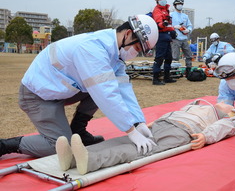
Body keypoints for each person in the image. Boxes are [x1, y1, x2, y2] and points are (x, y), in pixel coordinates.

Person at [0, 15, 159, 158]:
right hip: (37, 95)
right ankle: (6, 145)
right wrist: (130, 131)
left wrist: (139, 122)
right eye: (137, 48)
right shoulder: (93, 49)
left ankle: (78, 131)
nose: (135, 54)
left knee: (102, 88)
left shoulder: (114, 52)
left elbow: (123, 88)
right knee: (61, 147)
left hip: (59, 89)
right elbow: (106, 94)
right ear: (128, 34)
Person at [56, 100, 235, 175]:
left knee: (138, 150)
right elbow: (174, 112)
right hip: (165, 124)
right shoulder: (198, 104)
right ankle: (73, 157)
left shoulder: (225, 116)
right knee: (127, 139)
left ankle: (90, 161)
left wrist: (206, 136)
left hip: (182, 132)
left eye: (230, 105)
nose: (226, 102)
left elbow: (226, 126)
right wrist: (152, 124)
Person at [152, 0, 177, 85]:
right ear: (157, 0)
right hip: (161, 35)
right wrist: (163, 24)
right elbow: (159, 22)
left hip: (167, 35)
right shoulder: (157, 10)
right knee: (159, 58)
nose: (163, 0)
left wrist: (172, 30)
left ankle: (167, 77)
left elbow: (169, 23)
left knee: (169, 58)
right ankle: (155, 78)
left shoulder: (166, 10)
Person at [170, 0, 193, 77]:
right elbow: (167, 25)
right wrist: (174, 27)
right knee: (175, 56)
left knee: (189, 55)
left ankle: (188, 70)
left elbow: (190, 25)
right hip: (175, 39)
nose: (180, 5)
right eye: (178, 4)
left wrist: (188, 30)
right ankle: (174, 71)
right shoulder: (171, 15)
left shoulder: (185, 16)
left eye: (181, 4)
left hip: (184, 38)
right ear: (175, 5)